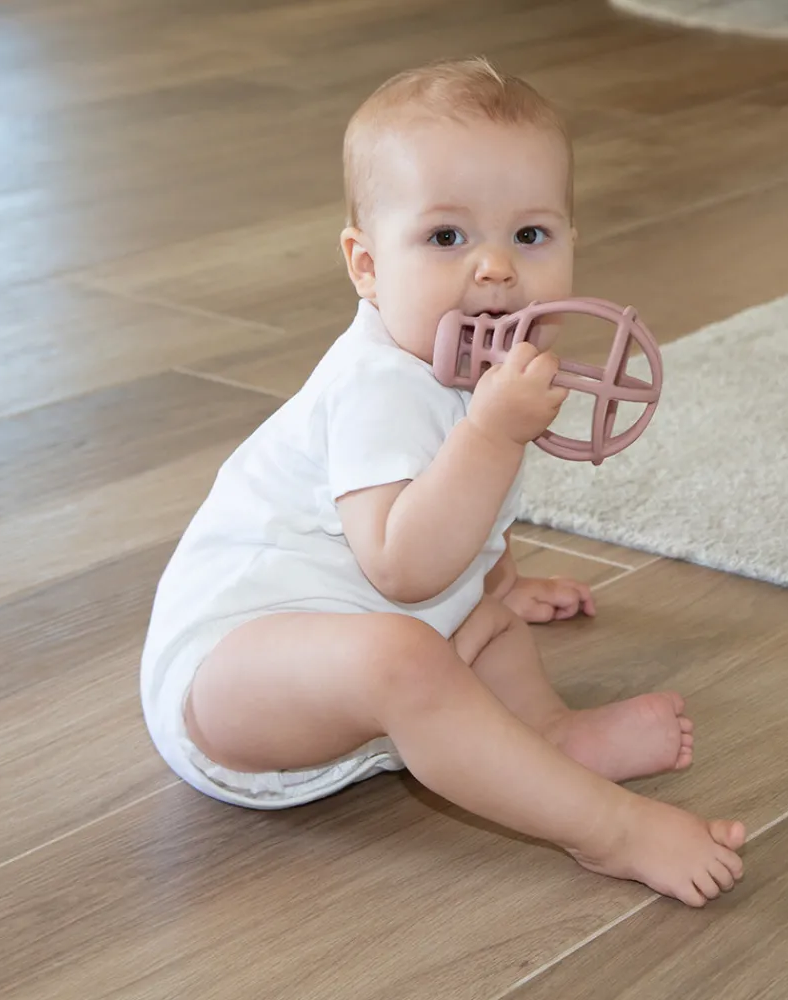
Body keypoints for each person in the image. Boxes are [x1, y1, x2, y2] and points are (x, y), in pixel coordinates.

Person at [140, 56, 745, 907]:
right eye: (447, 237)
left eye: (530, 236)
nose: (496, 269)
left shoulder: (478, 369)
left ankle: (547, 740)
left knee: (474, 625)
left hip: (360, 667)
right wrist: (494, 434)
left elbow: (464, 519)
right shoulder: (379, 386)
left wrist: (501, 579)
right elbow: (403, 566)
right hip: (233, 683)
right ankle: (607, 830)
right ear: (366, 264)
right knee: (407, 649)